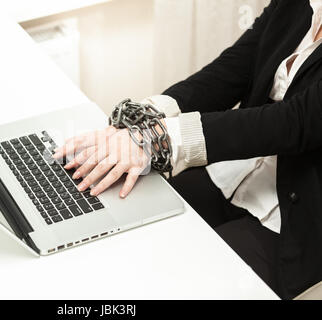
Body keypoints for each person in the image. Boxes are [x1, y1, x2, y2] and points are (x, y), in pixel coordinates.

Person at [53, 0, 322, 299]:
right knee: (120, 220)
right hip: (237, 169)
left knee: (186, 280)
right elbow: (235, 68)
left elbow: (295, 122)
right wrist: (144, 117)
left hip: (297, 214)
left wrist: (160, 137)